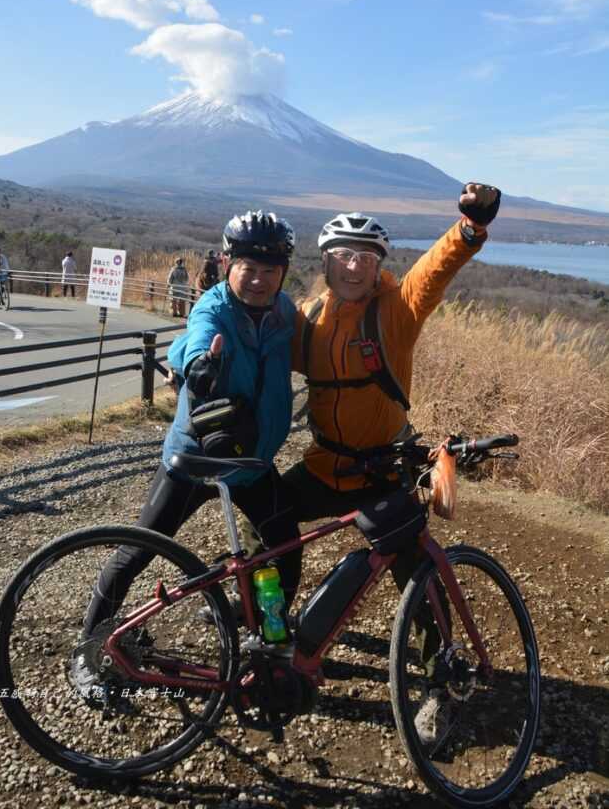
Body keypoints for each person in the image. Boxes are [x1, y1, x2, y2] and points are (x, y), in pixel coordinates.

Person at [285, 182, 501, 745]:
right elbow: (256, 345)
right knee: (270, 522)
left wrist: (469, 230)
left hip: (384, 470)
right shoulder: (306, 319)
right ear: (325, 261)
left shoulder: (395, 313)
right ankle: (272, 624)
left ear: (378, 264)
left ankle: (439, 685)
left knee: (418, 575)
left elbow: (433, 273)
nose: (353, 266)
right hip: (323, 463)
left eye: (366, 256)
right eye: (342, 255)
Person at [72, 210, 302, 702]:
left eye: (270, 269)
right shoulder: (215, 307)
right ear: (227, 264)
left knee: (285, 547)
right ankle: (88, 649)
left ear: (283, 272)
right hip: (196, 461)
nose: (258, 279)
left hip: (253, 465)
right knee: (137, 550)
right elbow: (192, 340)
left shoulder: (287, 315)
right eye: (248, 267)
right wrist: (197, 365)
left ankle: (263, 632)